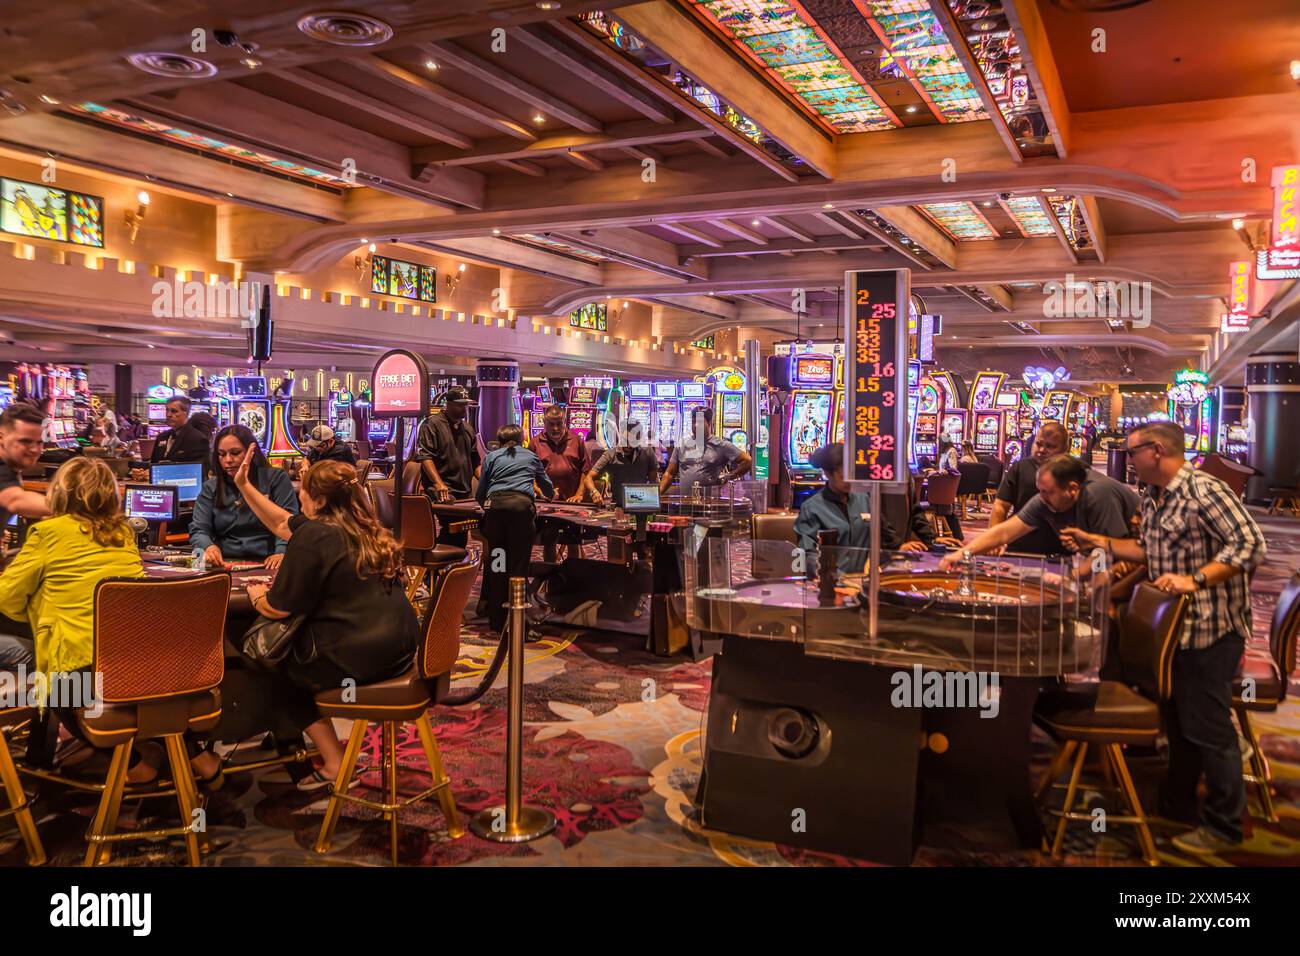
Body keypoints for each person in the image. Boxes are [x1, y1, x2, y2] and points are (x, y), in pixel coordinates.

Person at [1061, 421, 1266, 855]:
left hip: (1211, 630)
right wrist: (1098, 542)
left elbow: (1251, 544)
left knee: (1208, 729)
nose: (1127, 458)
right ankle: (1178, 808)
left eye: (1131, 452)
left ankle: (1226, 825)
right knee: (1178, 724)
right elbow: (1151, 553)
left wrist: (1197, 579)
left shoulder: (1204, 492)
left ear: (1155, 451)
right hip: (1176, 633)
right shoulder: (1156, 497)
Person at [233, 453, 420, 788]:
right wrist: (245, 486)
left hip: (360, 656)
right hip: (402, 650)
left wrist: (256, 593)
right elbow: (280, 523)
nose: (298, 495)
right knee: (282, 655)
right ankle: (297, 747)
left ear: (318, 499)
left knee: (270, 664)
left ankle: (333, 762)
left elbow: (278, 609)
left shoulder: (316, 535)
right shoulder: (364, 527)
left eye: (303, 488)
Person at [0, 458, 166, 782]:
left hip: (79, 674)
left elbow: (7, 599)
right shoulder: (123, 533)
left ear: (60, 493)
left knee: (53, 686)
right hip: (132, 664)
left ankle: (134, 768)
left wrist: (38, 609)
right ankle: (188, 761)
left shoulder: (46, 532)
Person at [939, 454, 1137, 570]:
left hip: (1140, 564)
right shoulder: (1047, 497)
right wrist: (961, 554)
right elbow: (1006, 531)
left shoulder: (1098, 496)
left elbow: (1108, 551)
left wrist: (1085, 580)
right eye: (1039, 490)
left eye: (1047, 492)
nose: (1041, 498)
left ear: (1073, 489)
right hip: (1098, 560)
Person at [794, 443, 927, 575]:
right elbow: (807, 556)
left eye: (853, 474)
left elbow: (885, 532)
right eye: (844, 476)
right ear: (828, 474)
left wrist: (899, 547)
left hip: (864, 582)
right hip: (830, 587)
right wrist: (835, 577)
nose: (851, 480)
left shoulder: (864, 498)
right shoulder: (812, 508)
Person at [477, 424, 555, 633]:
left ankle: (496, 621)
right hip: (521, 512)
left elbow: (480, 492)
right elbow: (548, 488)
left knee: (498, 563)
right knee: (517, 568)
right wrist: (547, 495)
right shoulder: (530, 457)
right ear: (522, 440)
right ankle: (516, 624)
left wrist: (488, 509)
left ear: (499, 439)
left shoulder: (492, 457)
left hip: (495, 512)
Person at [190, 425, 298, 569]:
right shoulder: (211, 487)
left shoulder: (275, 478)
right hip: (224, 562)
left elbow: (289, 523)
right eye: (222, 454)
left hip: (268, 561)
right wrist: (208, 546)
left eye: (235, 453)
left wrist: (282, 552)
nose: (228, 460)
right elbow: (199, 529)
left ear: (251, 452)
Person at [989, 421, 1071, 556]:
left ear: (1065, 449)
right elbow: (1000, 507)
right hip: (1019, 545)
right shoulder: (1020, 467)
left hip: (1060, 550)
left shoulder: (1074, 472)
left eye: (1050, 446)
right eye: (1038, 444)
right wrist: (995, 540)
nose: (1042, 450)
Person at [414, 387, 481, 548]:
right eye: (460, 405)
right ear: (448, 404)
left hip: (463, 489)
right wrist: (438, 483)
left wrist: (489, 481)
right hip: (442, 489)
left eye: (466, 405)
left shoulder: (468, 429)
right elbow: (425, 457)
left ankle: (444, 568)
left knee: (460, 532)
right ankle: (438, 567)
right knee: (453, 530)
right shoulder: (432, 424)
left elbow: (475, 463)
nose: (464, 409)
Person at [659, 407, 752, 497]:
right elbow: (669, 474)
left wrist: (727, 477)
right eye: (693, 422)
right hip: (685, 502)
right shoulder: (682, 444)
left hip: (709, 504)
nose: (695, 425)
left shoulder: (721, 445)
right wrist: (657, 495)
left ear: (709, 423)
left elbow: (748, 461)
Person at [580, 419, 659, 506]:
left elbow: (654, 482)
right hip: (618, 507)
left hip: (642, 504)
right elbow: (588, 478)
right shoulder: (610, 454)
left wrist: (653, 503)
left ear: (639, 438)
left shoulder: (647, 452)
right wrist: (594, 492)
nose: (628, 445)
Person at [0, 403, 52, 529]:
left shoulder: (11, 466)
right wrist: (75, 509)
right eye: (25, 441)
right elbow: (15, 500)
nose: (35, 449)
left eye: (39, 442)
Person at [533, 405, 588, 502]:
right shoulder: (535, 443)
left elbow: (586, 471)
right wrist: (541, 492)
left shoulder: (577, 441)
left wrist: (579, 494)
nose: (555, 428)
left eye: (559, 423)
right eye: (551, 424)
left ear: (565, 422)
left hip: (572, 502)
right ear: (545, 423)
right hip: (544, 502)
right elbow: (528, 474)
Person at [149, 397, 209, 463]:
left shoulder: (197, 439)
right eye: (167, 410)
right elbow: (153, 463)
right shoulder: (162, 436)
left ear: (186, 413)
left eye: (174, 411)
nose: (168, 415)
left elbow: (200, 469)